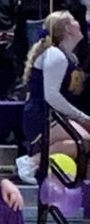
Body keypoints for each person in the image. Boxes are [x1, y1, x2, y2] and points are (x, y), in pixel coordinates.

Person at [15, 11, 90, 183]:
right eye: (74, 20)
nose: (78, 22)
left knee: (77, 145)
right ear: (68, 28)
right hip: (43, 114)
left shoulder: (70, 56)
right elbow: (51, 95)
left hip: (57, 114)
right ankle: (31, 163)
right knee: (84, 139)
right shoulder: (55, 55)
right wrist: (80, 116)